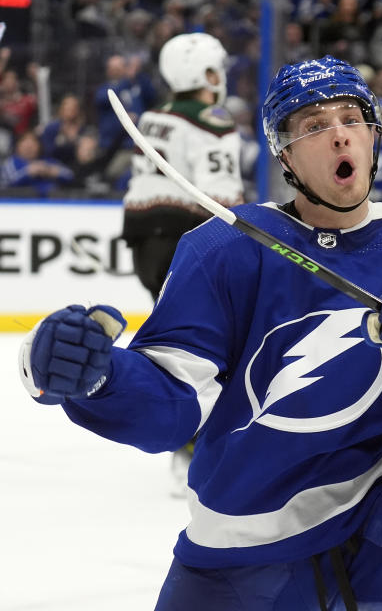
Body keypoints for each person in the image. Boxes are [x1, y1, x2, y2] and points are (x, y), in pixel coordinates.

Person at [16, 55, 382, 610]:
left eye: (352, 119)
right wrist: (99, 378)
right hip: (244, 545)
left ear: (374, 136)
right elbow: (170, 408)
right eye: (314, 126)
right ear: (285, 154)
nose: (340, 136)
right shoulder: (224, 250)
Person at [119, 32, 244, 495]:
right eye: (218, 69)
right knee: (220, 346)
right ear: (205, 75)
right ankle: (202, 451)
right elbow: (223, 195)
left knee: (180, 343)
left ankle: (185, 447)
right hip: (185, 240)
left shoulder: (153, 117)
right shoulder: (214, 121)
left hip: (143, 239)